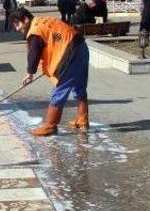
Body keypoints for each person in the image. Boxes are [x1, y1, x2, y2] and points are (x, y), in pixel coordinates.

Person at [10, 7, 90, 136]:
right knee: (79, 85)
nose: (17, 29)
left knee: (60, 89)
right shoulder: (42, 20)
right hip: (80, 46)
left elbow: (34, 53)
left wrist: (30, 73)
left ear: (25, 20)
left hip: (69, 54)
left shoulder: (35, 31)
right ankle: (82, 120)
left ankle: (50, 126)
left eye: (17, 24)